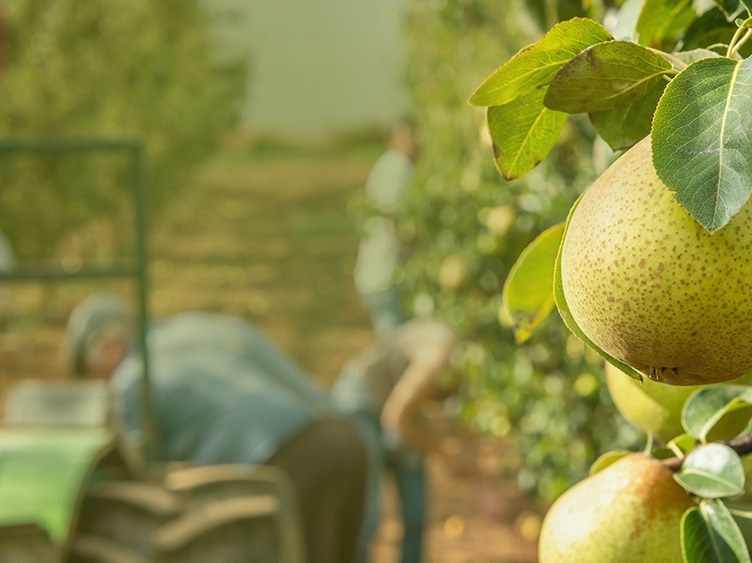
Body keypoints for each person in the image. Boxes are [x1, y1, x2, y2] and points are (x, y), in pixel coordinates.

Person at [64, 292, 368, 563]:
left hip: (287, 465)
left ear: (104, 346)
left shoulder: (132, 381)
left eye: (95, 373)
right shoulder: (201, 326)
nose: (103, 383)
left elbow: (146, 479)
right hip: (341, 441)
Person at [331, 317, 471, 563]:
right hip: (362, 403)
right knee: (368, 514)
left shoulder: (468, 376)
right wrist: (443, 451)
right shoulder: (436, 360)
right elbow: (395, 416)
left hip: (402, 413)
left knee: (416, 513)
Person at [353, 121, 416, 341]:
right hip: (385, 276)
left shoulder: (385, 164)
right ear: (391, 141)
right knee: (397, 349)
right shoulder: (399, 165)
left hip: (373, 276)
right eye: (404, 137)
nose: (411, 143)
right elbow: (392, 214)